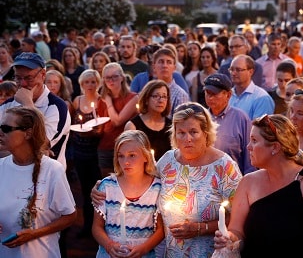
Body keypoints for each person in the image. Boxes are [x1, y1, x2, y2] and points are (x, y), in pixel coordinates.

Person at [213, 114, 303, 257]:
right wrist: (230, 238)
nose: (248, 147)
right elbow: (237, 231)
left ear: (275, 147)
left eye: (254, 141)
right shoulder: (248, 182)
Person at [158, 102, 242, 257]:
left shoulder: (224, 166)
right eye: (181, 132)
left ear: (206, 133)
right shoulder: (167, 161)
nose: (187, 138)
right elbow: (145, 186)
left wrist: (200, 228)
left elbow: (240, 215)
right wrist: (102, 188)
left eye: (193, 132)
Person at [0, 106, 77, 258]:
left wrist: (34, 234)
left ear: (28, 133)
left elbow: (70, 216)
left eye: (6, 128)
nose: (0, 132)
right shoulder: (1, 167)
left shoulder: (53, 170)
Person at [92, 130, 164, 257]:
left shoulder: (157, 188)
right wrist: (109, 245)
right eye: (121, 156)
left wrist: (143, 248)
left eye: (132, 155)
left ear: (146, 156)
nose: (126, 161)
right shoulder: (107, 186)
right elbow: (97, 227)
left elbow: (161, 229)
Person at [0, 52, 71, 168]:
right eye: (18, 78)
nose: (22, 83)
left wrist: (28, 104)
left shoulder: (57, 107)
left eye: (29, 78)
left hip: (46, 178)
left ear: (43, 75)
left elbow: (41, 145)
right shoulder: (8, 104)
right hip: (13, 173)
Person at [71, 69, 103, 238]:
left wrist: (94, 132)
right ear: (81, 84)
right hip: (79, 152)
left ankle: (98, 227)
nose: (90, 85)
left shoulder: (101, 102)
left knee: (97, 190)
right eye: (86, 82)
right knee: (84, 190)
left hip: (95, 154)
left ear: (98, 83)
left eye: (93, 82)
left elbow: (103, 128)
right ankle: (86, 225)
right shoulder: (77, 101)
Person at [204, 73, 253, 174]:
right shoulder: (200, 117)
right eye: (207, 93)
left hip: (234, 181)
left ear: (228, 95)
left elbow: (249, 159)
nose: (210, 98)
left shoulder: (241, 119)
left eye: (214, 94)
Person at [97, 62, 139, 177]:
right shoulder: (101, 99)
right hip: (105, 146)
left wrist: (109, 101)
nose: (111, 80)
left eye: (114, 76)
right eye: (107, 78)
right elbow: (100, 123)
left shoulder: (133, 97)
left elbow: (117, 121)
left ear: (122, 77)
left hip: (125, 148)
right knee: (107, 184)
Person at [124, 79, 172, 162]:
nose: (160, 100)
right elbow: (128, 156)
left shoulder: (171, 126)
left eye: (164, 96)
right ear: (146, 99)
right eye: (156, 96)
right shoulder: (132, 126)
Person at [228, 54, 275, 120]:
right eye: (231, 69)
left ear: (250, 72)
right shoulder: (227, 95)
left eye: (238, 70)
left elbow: (259, 129)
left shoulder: (262, 98)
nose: (233, 73)